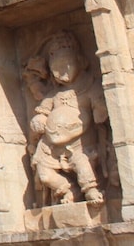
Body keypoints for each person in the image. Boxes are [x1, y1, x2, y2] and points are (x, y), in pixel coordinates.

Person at [24, 31, 108, 205]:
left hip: (79, 144)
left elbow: (101, 113)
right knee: (44, 174)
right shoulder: (53, 94)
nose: (62, 71)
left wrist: (99, 108)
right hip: (51, 146)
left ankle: (90, 190)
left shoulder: (89, 88)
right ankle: (69, 189)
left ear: (80, 61)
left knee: (82, 164)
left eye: (66, 65)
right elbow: (43, 112)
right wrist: (39, 119)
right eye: (57, 67)